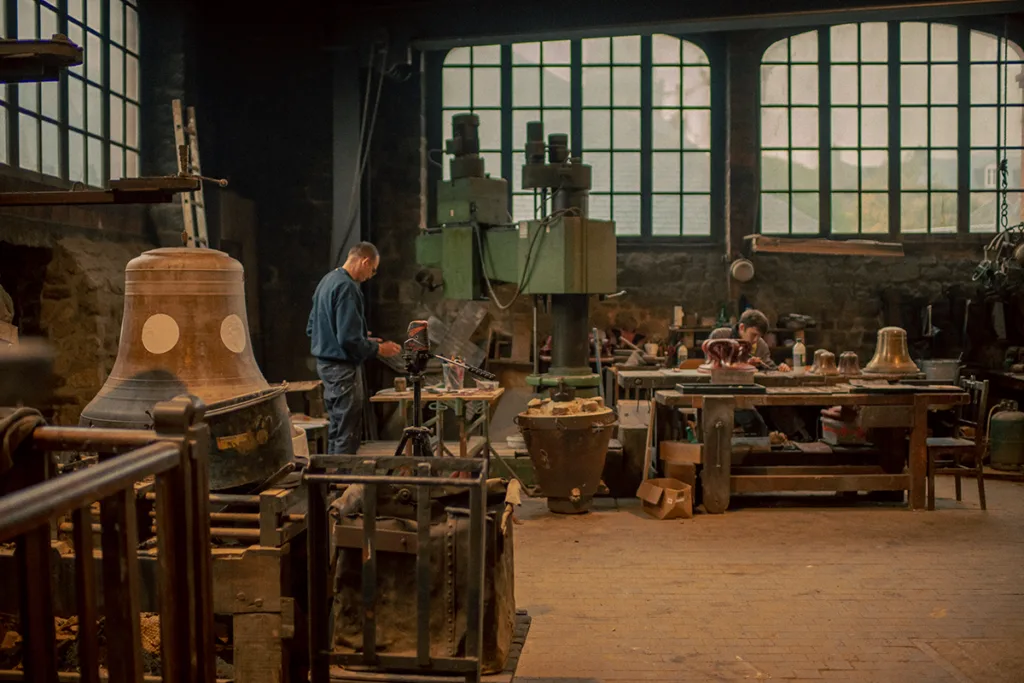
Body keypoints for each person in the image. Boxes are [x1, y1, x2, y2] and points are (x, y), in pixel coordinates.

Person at [307, 242, 401, 454]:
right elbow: (348, 340)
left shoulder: (327, 281)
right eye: (373, 270)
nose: (371, 276)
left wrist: (361, 337)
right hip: (342, 369)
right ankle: (344, 482)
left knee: (337, 426)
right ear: (365, 261)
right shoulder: (348, 287)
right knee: (347, 430)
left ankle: (333, 478)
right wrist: (379, 349)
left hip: (326, 366)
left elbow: (313, 327)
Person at [709, 308, 791, 372]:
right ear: (741, 327)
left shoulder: (761, 345)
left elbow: (769, 368)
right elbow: (712, 366)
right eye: (753, 335)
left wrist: (780, 369)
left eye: (759, 336)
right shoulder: (719, 336)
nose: (755, 340)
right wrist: (746, 365)